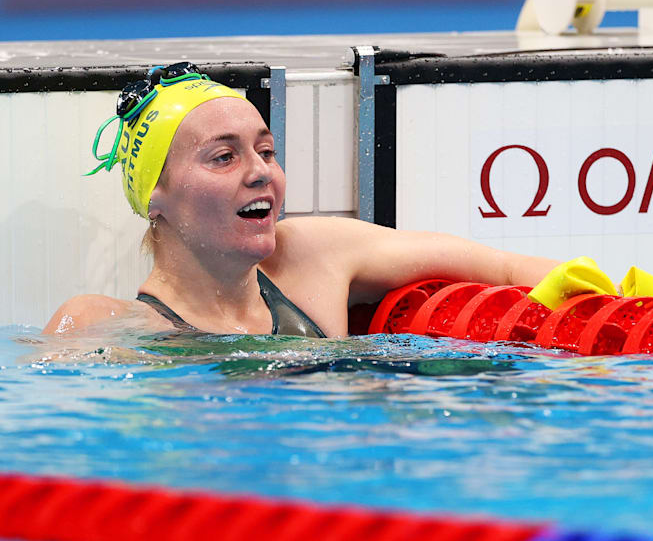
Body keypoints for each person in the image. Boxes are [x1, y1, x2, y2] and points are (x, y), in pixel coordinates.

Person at [44, 63, 560, 337]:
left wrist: (619, 292)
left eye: (266, 151)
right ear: (156, 198)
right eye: (223, 157)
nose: (260, 172)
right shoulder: (99, 325)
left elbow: (507, 265)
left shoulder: (315, 255)